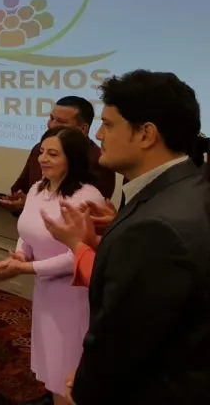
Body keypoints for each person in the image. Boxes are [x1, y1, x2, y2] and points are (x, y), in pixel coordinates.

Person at [69, 70, 210, 405]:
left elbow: (122, 343)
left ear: (146, 134)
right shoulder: (190, 186)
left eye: (108, 124)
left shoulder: (155, 227)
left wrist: (85, 389)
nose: (99, 134)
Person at [0, 127, 106, 405]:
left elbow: (78, 255)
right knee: (52, 365)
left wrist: (26, 269)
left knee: (70, 370)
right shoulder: (37, 188)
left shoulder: (87, 196)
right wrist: (20, 255)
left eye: (53, 154)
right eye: (41, 152)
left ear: (72, 159)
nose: (42, 159)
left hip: (74, 295)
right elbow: (27, 231)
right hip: (45, 293)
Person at [0, 96, 116, 215]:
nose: (52, 125)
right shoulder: (39, 150)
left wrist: (32, 205)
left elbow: (95, 214)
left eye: (61, 122)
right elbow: (20, 188)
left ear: (83, 129)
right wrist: (21, 203)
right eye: (51, 118)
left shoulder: (99, 160)